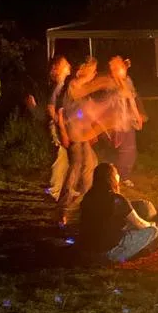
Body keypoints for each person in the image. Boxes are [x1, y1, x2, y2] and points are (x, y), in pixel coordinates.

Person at [78, 163, 158, 262]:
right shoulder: (117, 199)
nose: (118, 176)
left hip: (86, 251)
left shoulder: (88, 197)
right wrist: (153, 225)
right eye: (116, 173)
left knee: (129, 228)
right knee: (155, 232)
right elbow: (140, 224)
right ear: (111, 178)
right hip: (107, 253)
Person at [58, 56, 108, 221]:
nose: (94, 73)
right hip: (75, 133)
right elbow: (68, 112)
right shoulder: (73, 86)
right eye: (93, 70)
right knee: (77, 167)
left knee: (90, 164)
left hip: (81, 133)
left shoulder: (81, 88)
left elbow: (82, 112)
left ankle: (85, 201)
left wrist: (91, 128)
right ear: (84, 71)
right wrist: (65, 132)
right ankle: (65, 206)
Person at [102, 55, 145, 184]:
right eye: (121, 68)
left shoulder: (127, 81)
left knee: (130, 151)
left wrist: (137, 117)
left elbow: (131, 99)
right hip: (116, 124)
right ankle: (112, 175)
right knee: (117, 150)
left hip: (127, 122)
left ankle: (123, 176)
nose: (124, 70)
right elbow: (108, 105)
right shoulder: (110, 84)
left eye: (123, 68)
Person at [46, 55, 71, 203]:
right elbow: (50, 108)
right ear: (58, 69)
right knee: (59, 156)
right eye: (65, 63)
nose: (69, 65)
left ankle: (60, 189)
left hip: (58, 125)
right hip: (55, 127)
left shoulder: (62, 85)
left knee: (64, 159)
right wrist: (59, 122)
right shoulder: (58, 86)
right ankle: (53, 191)